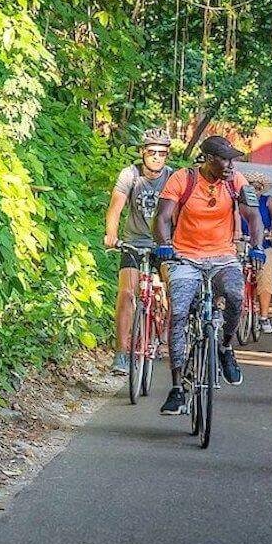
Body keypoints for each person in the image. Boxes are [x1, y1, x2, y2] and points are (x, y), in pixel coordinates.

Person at [153, 136, 265, 416]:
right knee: (178, 313)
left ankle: (225, 348)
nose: (230, 164)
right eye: (224, 159)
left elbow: (253, 217)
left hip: (223, 257)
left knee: (236, 295)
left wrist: (257, 247)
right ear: (208, 158)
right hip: (185, 257)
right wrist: (164, 244)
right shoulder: (183, 179)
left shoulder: (235, 181)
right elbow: (163, 216)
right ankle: (177, 388)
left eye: (232, 159)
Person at [103, 128, 173, 375]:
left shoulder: (172, 178)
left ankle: (166, 335)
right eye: (152, 152)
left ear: (167, 155)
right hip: (133, 242)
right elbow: (115, 208)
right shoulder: (130, 175)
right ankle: (122, 353)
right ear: (142, 152)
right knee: (126, 294)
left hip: (163, 245)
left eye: (162, 153)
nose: (156, 157)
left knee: (174, 289)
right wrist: (111, 234)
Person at [241, 172, 272, 334]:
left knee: (265, 277)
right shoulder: (238, 202)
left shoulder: (268, 201)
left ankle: (264, 316)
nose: (255, 189)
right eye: (251, 185)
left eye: (258, 187)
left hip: (263, 245)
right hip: (241, 244)